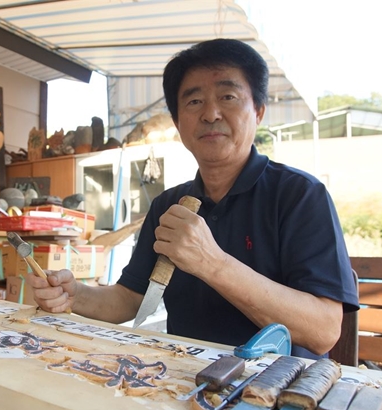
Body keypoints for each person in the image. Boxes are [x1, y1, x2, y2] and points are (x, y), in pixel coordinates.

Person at [27, 39, 359, 358]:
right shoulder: (168, 206)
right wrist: (75, 295)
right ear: (178, 122)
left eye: (228, 96)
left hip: (277, 397)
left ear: (258, 111)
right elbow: (130, 298)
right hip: (183, 384)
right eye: (194, 101)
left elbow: (323, 331)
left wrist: (212, 263)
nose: (211, 114)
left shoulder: (300, 195)